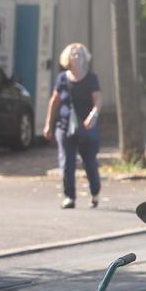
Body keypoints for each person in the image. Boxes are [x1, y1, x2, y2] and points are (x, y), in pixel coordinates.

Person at [43, 43, 101, 209]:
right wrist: (49, 124)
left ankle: (95, 192)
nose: (76, 57)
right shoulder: (62, 78)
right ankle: (69, 197)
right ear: (67, 58)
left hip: (86, 127)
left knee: (89, 162)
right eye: (73, 55)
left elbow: (98, 100)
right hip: (64, 126)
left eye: (79, 55)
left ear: (85, 59)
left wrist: (93, 115)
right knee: (66, 163)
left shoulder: (91, 78)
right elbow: (54, 102)